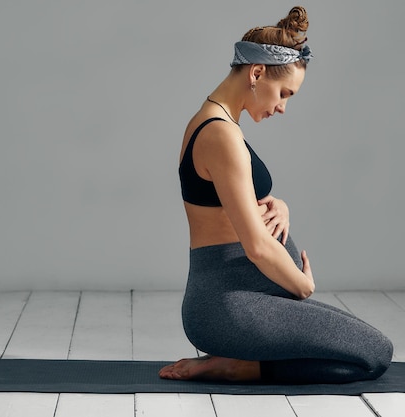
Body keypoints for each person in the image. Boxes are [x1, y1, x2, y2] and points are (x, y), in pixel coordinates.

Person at [159, 6, 393, 384]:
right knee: (376, 355)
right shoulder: (220, 134)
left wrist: (279, 205)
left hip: (246, 295)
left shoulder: (218, 124)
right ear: (256, 73)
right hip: (227, 303)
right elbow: (257, 246)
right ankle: (235, 366)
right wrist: (301, 286)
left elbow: (234, 203)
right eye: (284, 93)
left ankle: (240, 363)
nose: (283, 106)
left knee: (369, 347)